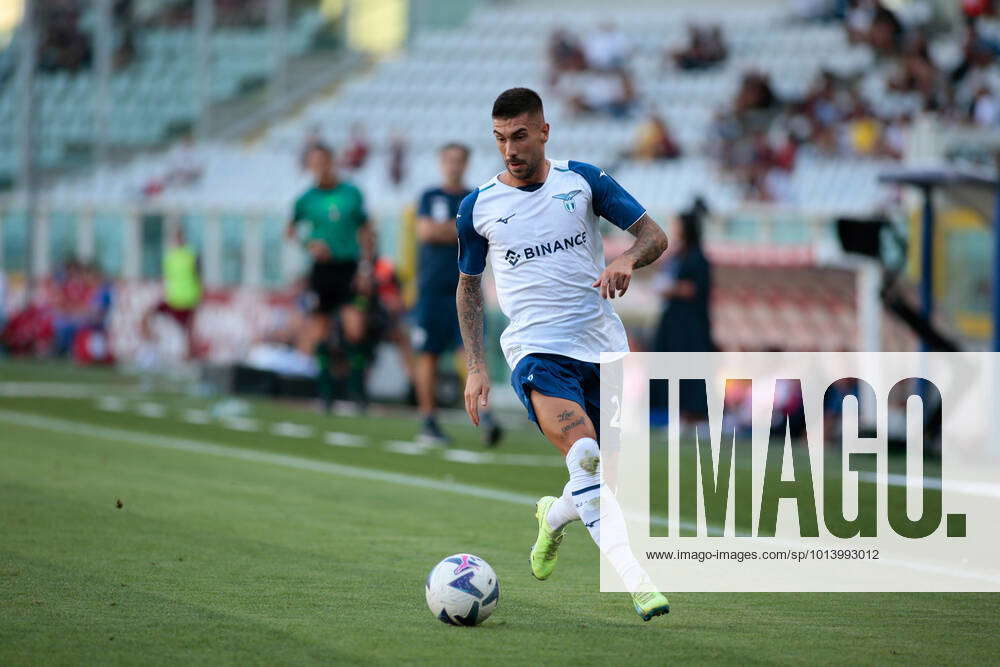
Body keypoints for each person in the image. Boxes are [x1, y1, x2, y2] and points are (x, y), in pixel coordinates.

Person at [455, 88, 671, 620]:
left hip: (604, 349)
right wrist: (478, 367)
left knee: (600, 482)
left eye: (520, 136)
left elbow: (654, 236)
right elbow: (467, 288)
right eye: (501, 138)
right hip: (536, 352)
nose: (510, 148)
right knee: (585, 456)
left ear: (544, 131)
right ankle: (637, 581)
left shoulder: (583, 182)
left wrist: (626, 259)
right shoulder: (477, 207)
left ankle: (553, 517)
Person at [413, 143, 503, 446]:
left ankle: (485, 416)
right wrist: (462, 230)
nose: (454, 165)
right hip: (432, 289)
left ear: (466, 163)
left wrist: (448, 230)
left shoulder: (473, 198)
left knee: (470, 352)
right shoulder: (430, 196)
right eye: (449, 160)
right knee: (428, 354)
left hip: (466, 289)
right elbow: (426, 232)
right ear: (441, 162)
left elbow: (482, 233)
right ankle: (428, 420)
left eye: (459, 161)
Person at [288, 143, 374, 408]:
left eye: (323, 161)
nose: (319, 167)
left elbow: (366, 230)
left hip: (349, 268)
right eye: (314, 163)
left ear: (332, 161)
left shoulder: (351, 194)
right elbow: (290, 231)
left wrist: (365, 267)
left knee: (355, 330)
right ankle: (325, 393)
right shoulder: (305, 199)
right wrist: (309, 244)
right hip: (322, 271)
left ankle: (356, 390)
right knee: (320, 331)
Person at [141, 228, 202, 359]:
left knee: (187, 331)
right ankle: (150, 344)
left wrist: (199, 294)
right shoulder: (169, 256)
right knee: (148, 315)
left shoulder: (191, 254)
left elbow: (198, 275)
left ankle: (186, 357)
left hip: (188, 297)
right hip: (172, 297)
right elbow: (166, 277)